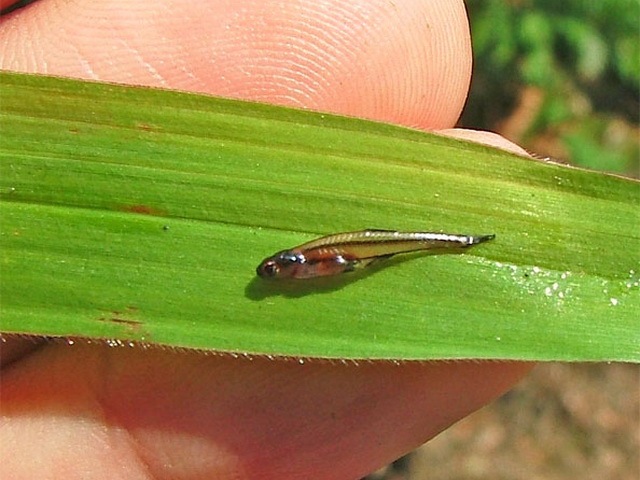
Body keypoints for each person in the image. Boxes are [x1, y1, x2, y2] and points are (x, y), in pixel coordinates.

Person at [0, 1, 533, 477]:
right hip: (350, 251)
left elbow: (329, 259)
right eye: (278, 272)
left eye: (278, 269)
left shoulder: (301, 258)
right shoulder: (299, 262)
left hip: (357, 246)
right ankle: (452, 241)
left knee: (390, 240)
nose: (277, 272)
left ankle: (454, 240)